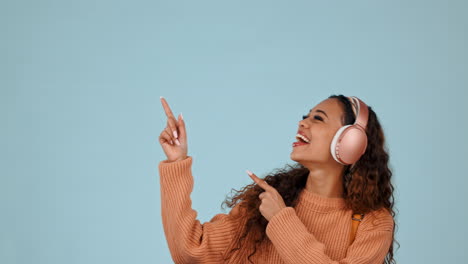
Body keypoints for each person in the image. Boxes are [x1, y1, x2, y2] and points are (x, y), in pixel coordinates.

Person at [158, 94, 398, 264]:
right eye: (306, 116)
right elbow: (189, 251)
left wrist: (281, 220)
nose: (302, 122)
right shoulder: (267, 200)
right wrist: (176, 162)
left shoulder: (374, 223)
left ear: (350, 143)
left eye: (318, 118)